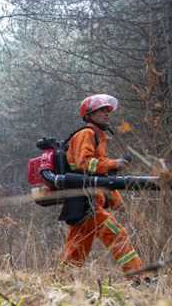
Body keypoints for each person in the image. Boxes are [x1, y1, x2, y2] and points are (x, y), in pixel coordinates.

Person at [59, 94, 145, 278]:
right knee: (117, 235)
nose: (107, 114)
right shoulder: (86, 134)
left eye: (108, 110)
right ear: (89, 115)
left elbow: (102, 177)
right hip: (86, 201)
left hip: (87, 203)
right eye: (101, 110)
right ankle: (140, 277)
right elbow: (85, 164)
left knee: (76, 249)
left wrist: (116, 200)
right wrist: (115, 163)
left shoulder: (98, 137)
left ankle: (61, 282)